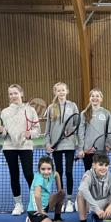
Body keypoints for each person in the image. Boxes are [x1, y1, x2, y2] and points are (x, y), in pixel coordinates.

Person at [0, 84, 41, 215]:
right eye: (11, 94)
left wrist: (31, 134)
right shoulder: (4, 112)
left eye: (15, 93)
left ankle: (34, 202)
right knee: (14, 175)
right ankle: (18, 204)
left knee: (29, 174)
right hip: (9, 147)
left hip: (25, 146)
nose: (13, 96)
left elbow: (37, 130)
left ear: (21, 94)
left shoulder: (30, 110)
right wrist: (1, 131)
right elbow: (3, 134)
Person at [44, 82, 79, 212]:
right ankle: (61, 199)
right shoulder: (51, 108)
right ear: (55, 92)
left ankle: (69, 200)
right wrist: (47, 144)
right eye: (58, 90)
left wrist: (70, 131)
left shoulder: (73, 106)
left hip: (69, 144)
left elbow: (77, 124)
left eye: (63, 90)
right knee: (58, 173)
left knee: (69, 172)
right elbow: (47, 129)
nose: (61, 92)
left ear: (67, 91)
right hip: (56, 145)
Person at [25, 156, 69, 222]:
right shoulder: (39, 179)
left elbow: (57, 174)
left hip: (45, 206)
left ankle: (57, 220)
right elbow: (37, 195)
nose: (46, 172)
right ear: (39, 169)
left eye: (49, 169)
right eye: (43, 169)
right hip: (35, 211)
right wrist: (40, 210)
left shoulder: (52, 173)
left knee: (61, 193)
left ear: (52, 169)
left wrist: (59, 189)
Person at [76, 88, 111, 171]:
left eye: (97, 96)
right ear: (90, 98)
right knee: (89, 172)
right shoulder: (84, 113)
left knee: (101, 172)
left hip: (101, 150)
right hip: (88, 150)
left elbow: (109, 131)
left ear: (101, 99)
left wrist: (108, 144)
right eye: (92, 96)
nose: (95, 98)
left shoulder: (107, 113)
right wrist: (81, 149)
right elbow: (81, 132)